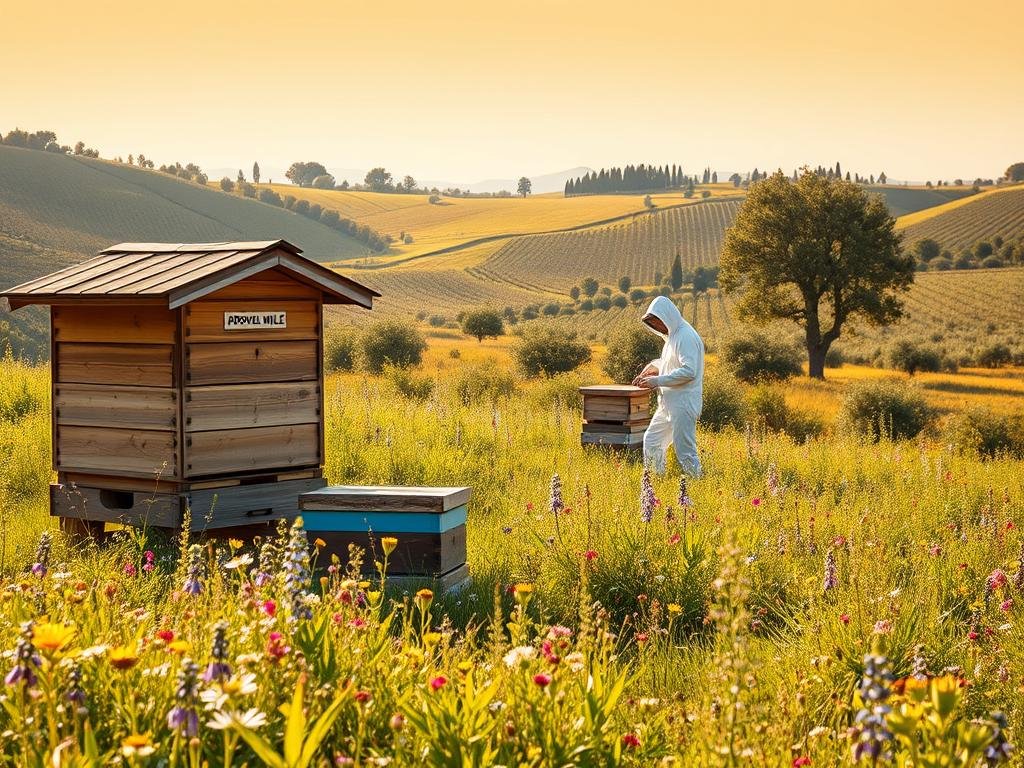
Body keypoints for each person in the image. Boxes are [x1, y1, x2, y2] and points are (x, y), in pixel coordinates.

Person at [632, 295, 704, 476]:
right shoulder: (672, 338)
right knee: (652, 440)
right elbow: (670, 363)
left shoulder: (685, 336)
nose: (657, 327)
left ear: (668, 316)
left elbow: (689, 371)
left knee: (685, 451)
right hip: (668, 404)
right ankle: (656, 481)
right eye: (654, 324)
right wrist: (653, 367)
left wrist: (656, 381)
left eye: (658, 322)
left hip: (683, 404)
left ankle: (696, 485)